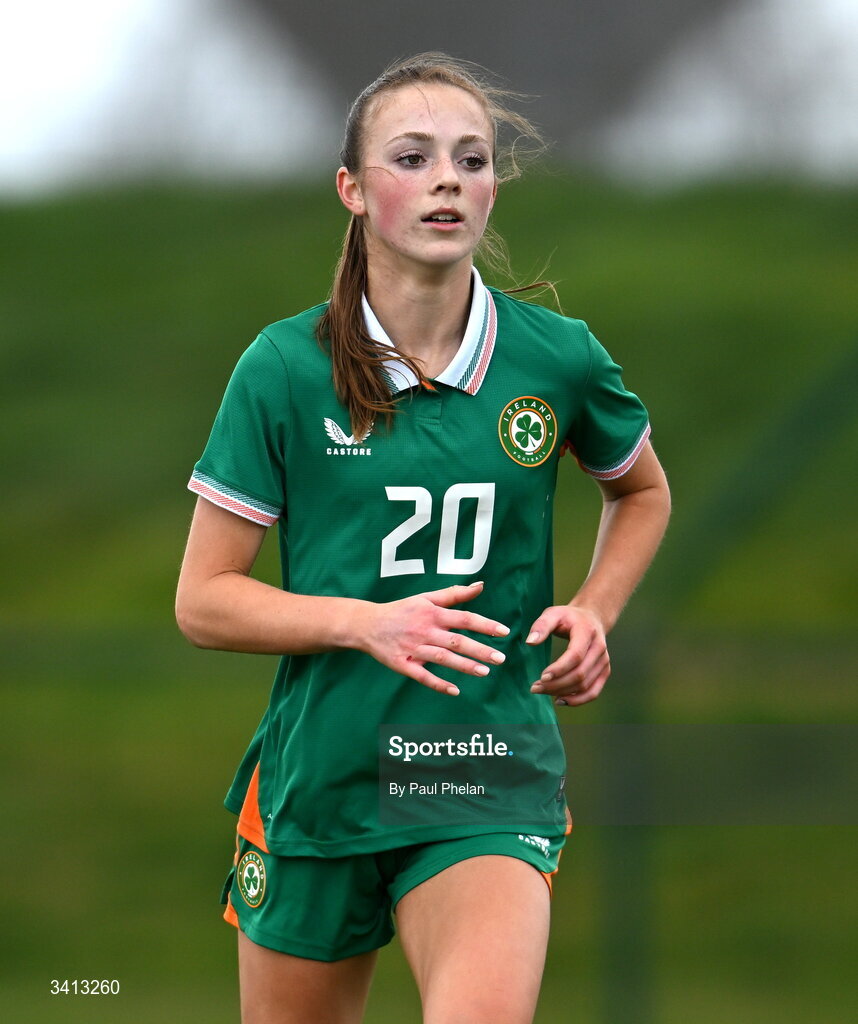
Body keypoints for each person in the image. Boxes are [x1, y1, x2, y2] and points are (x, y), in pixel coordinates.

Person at [176, 52, 670, 1024]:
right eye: (413, 157)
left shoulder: (558, 359)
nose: (449, 178)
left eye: (471, 159)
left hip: (483, 766)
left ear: (492, 189)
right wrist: (365, 623)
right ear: (353, 190)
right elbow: (204, 600)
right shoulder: (284, 368)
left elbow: (642, 491)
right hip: (323, 781)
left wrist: (594, 609)